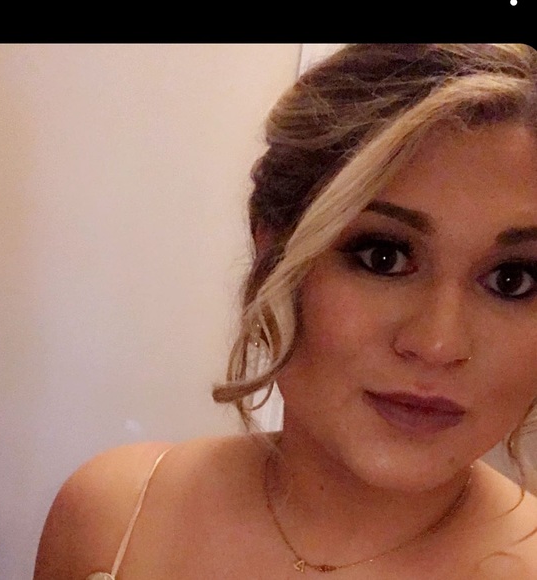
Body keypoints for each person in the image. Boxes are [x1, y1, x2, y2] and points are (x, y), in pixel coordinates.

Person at [34, 44, 537, 579]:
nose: (438, 344)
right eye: (383, 257)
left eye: (511, 280)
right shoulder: (111, 518)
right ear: (273, 252)